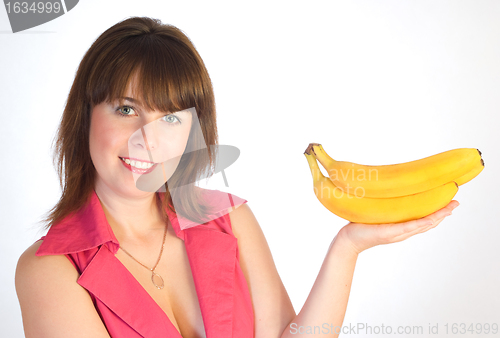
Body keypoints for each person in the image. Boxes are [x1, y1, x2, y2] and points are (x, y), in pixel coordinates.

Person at [15, 16, 459, 338]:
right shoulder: (49, 270)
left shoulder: (226, 217)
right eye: (127, 109)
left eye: (170, 118)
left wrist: (349, 246)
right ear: (85, 116)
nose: (146, 139)